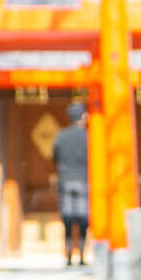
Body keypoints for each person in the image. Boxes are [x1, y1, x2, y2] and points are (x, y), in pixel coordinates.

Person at [53, 101, 90, 266]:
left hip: (66, 179)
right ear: (82, 116)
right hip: (83, 179)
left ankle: (68, 255)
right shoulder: (88, 136)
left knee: (67, 218)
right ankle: (82, 255)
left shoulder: (61, 136)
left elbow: (55, 156)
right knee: (83, 218)